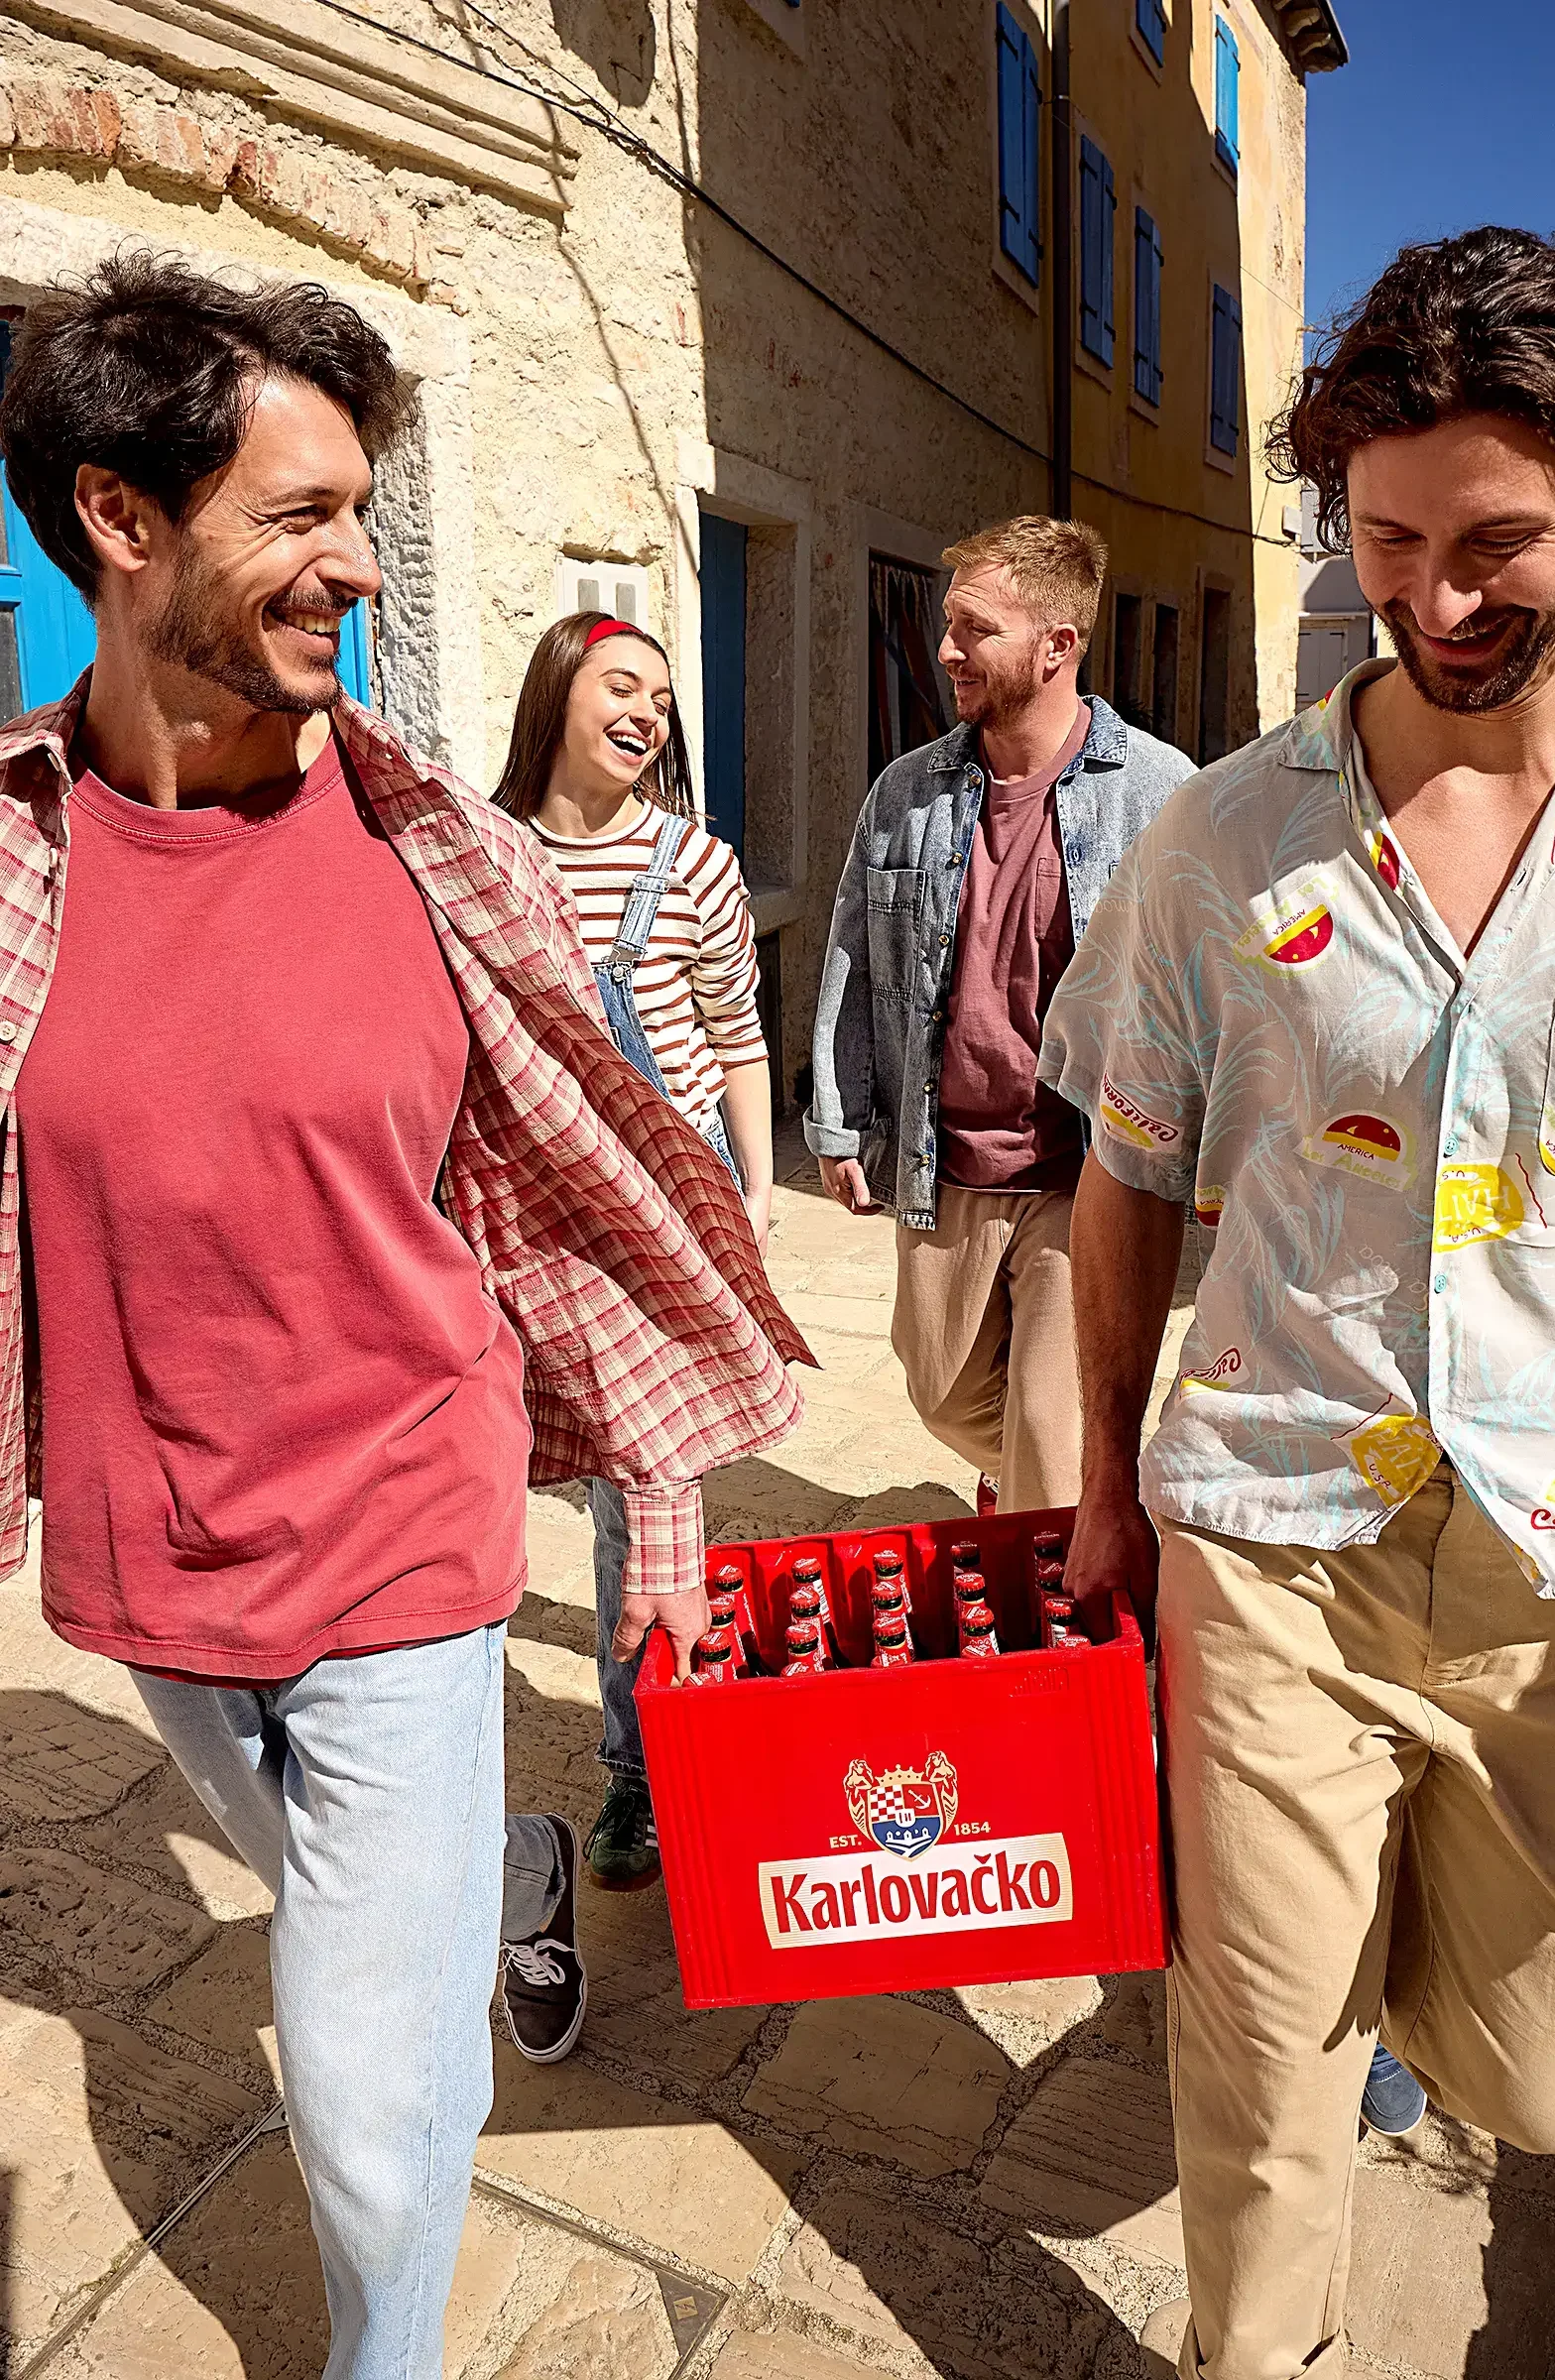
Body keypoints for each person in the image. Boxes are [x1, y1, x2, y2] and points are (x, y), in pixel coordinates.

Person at [0, 252, 808, 2380]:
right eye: (301, 513)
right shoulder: (7, 852)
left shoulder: (437, 850)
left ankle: (389, 2358)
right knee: (378, 1893)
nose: (355, 566)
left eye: (365, 508)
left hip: (408, 1530)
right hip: (144, 1554)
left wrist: (672, 1507)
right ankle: (514, 1858)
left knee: (364, 2075)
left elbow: (579, 1199)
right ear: (118, 516)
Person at [1046, 225, 1555, 2380]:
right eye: (1386, 539)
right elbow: (1127, 1177)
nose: (1435, 601)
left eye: (1498, 541)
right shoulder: (1219, 841)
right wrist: (1100, 1491)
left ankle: (1400, 1983)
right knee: (1263, 2081)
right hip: (1274, 1534)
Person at [805, 515, 1192, 1514]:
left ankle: (1054, 1636)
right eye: (948, 625)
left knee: (1053, 1455)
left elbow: (1210, 988)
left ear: (1058, 644)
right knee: (940, 1392)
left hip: (1088, 1171)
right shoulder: (906, 794)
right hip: (948, 1160)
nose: (945, 651)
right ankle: (1038, 1482)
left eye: (974, 628)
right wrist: (842, 1118)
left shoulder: (1160, 793)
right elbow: (852, 950)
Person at [493, 612, 774, 1888]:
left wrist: (756, 1197)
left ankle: (642, 1776)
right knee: (526, 1474)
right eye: (624, 684)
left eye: (663, 696)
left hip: (671, 1203)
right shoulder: (488, 857)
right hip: (541, 1205)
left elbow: (736, 1037)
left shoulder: (696, 867)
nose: (650, 711)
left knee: (645, 1498)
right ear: (559, 692)